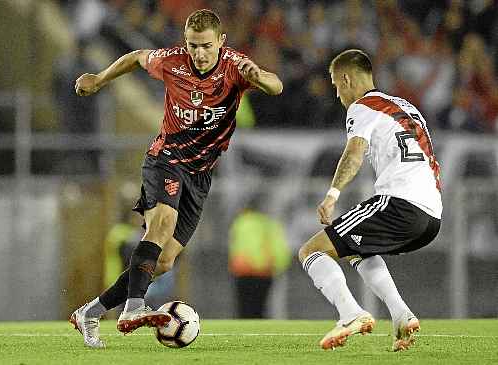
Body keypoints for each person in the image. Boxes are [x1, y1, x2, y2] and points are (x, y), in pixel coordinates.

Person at [69, 9, 283, 348]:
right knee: (162, 223)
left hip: (200, 176)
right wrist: (99, 78)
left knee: (165, 261)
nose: (198, 53)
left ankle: (91, 312)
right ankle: (132, 309)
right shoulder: (172, 60)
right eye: (192, 45)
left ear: (221, 42)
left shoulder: (235, 66)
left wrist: (257, 75)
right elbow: (137, 57)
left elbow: (276, 85)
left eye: (205, 46)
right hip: (165, 159)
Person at [298, 49, 442, 352]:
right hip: (432, 216)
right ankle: (402, 314)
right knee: (355, 249)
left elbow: (354, 152)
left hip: (401, 202)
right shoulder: (406, 106)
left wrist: (331, 195)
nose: (338, 94)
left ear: (347, 79)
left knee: (311, 251)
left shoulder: (362, 107)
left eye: (337, 85)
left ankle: (350, 314)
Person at [228, 203, 291, 318]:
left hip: (244, 271)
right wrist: (277, 265)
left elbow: (236, 245)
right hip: (264, 272)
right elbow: (279, 249)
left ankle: (243, 330)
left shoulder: (241, 222)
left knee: (244, 308)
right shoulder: (270, 224)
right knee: (260, 307)